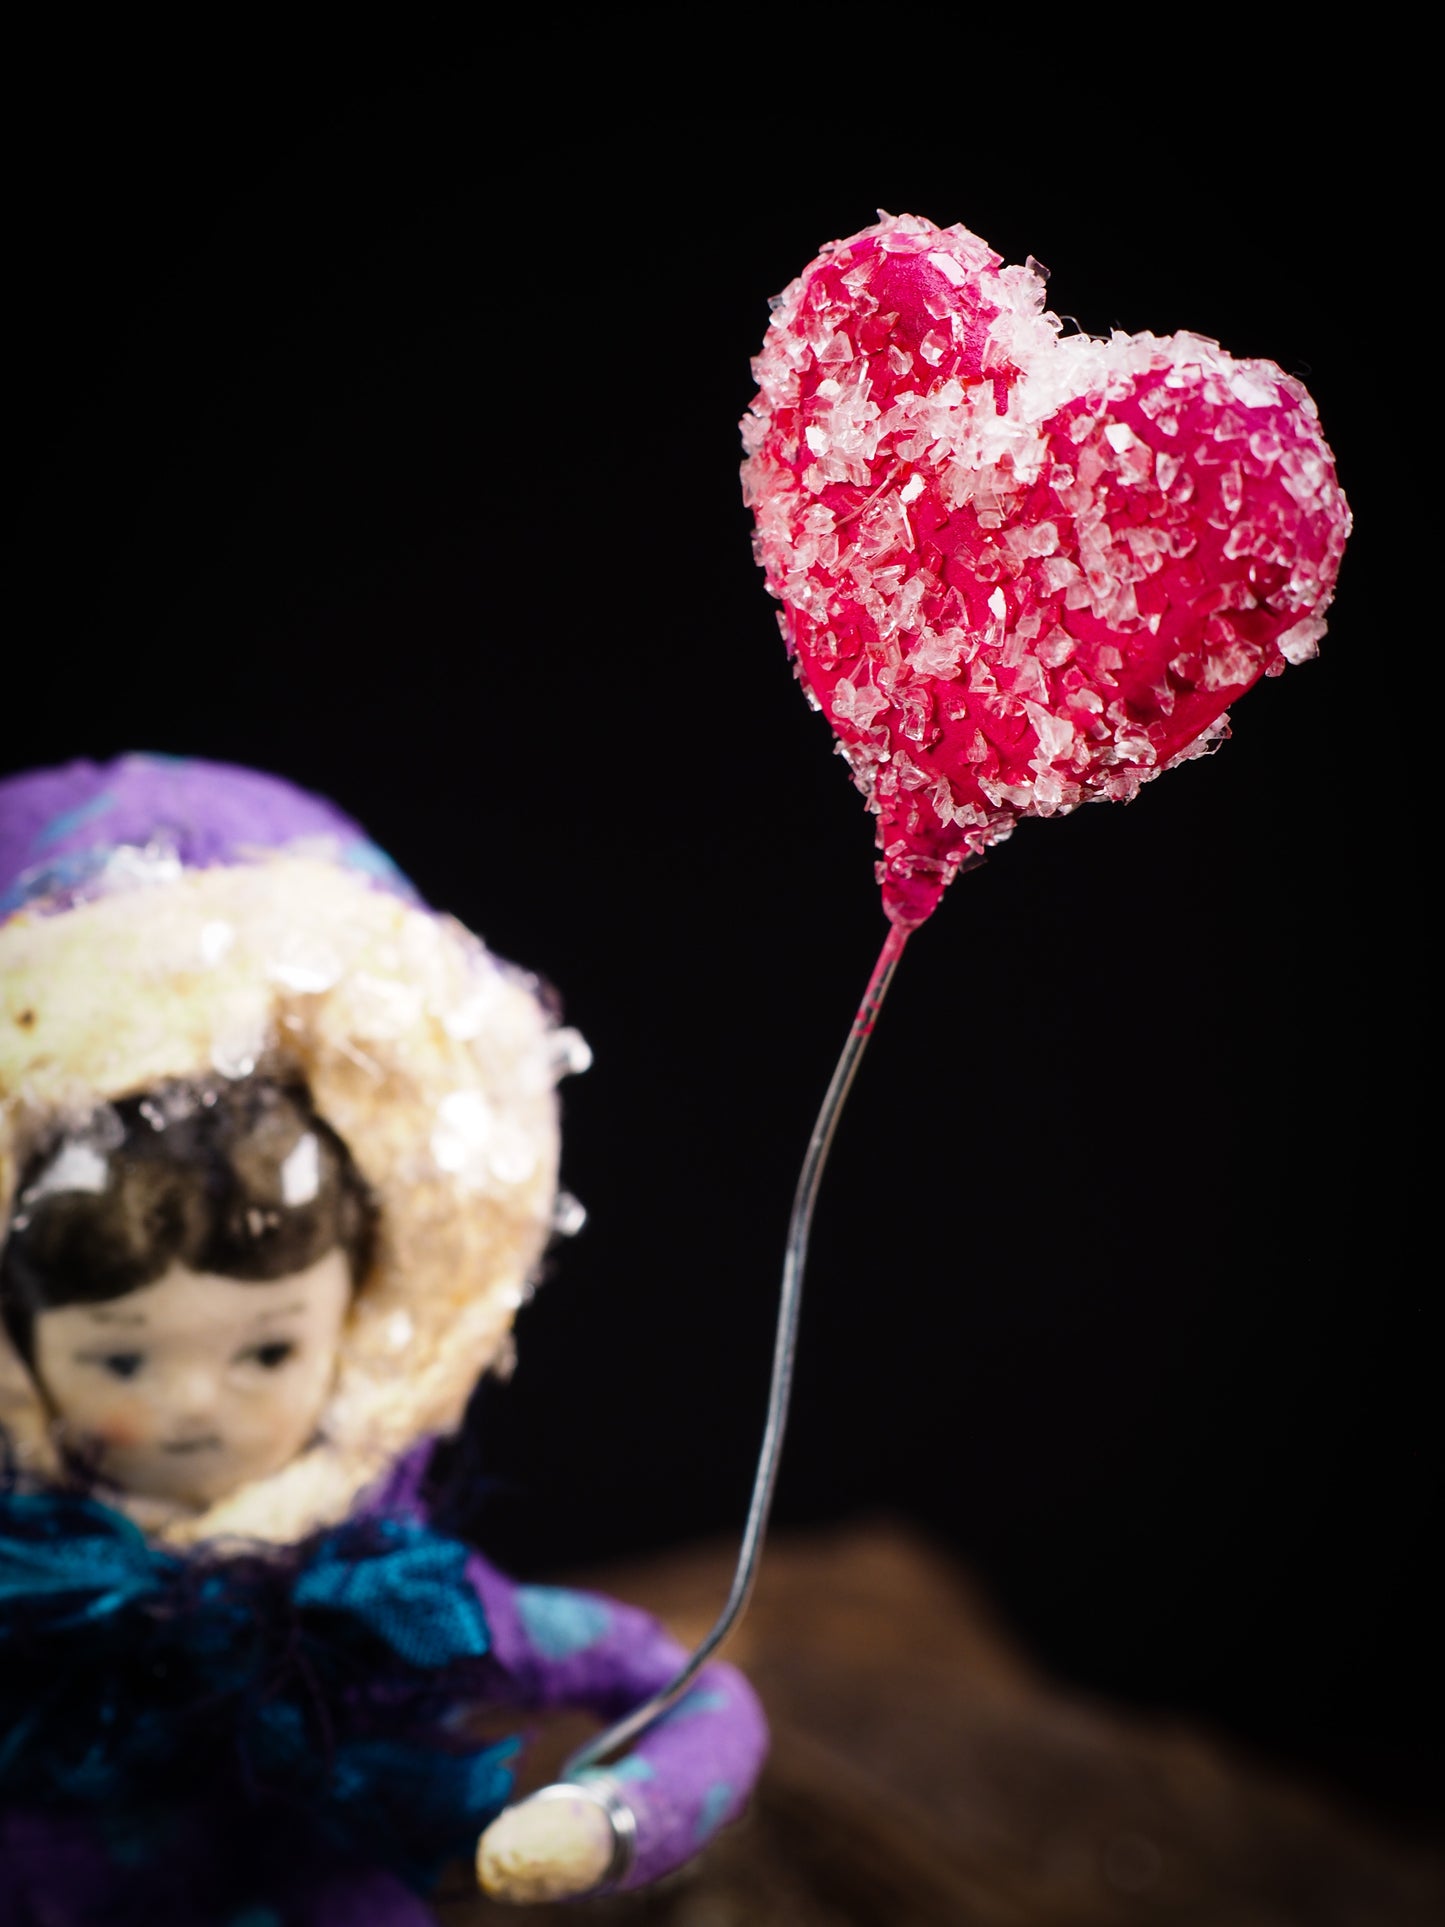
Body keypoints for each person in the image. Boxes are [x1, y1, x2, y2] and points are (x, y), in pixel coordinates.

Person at [0, 754, 767, 1925]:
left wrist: (607, 1821)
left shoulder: (392, 1601)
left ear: (362, 1320)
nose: (194, 1401)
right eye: (121, 1357)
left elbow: (689, 1693)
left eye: (267, 1351)